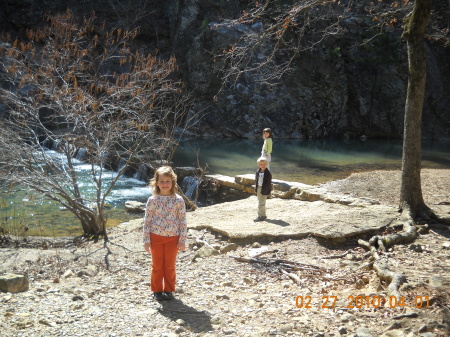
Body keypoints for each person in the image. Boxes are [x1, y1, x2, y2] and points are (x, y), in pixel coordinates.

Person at [143, 166, 187, 301]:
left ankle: (169, 290)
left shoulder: (178, 200)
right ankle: (156, 290)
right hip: (155, 237)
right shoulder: (153, 200)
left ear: (173, 182)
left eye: (168, 181)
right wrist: (146, 240)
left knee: (169, 266)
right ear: (156, 183)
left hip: (173, 238)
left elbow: (182, 220)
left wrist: (182, 239)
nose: (165, 184)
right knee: (157, 266)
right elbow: (147, 220)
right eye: (162, 181)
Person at [254, 157, 272, 222]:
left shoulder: (268, 173)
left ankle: (261, 216)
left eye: (264, 164)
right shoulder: (258, 171)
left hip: (264, 189)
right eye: (261, 164)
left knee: (261, 203)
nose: (263, 165)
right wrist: (256, 189)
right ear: (258, 165)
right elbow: (256, 180)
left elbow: (268, 184)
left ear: (267, 164)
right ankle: (263, 214)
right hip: (259, 187)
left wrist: (263, 192)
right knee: (260, 201)